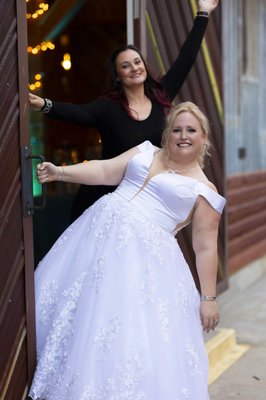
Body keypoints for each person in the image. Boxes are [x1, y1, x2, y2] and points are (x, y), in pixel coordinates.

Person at [28, 101, 226, 400]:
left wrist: (208, 298)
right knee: (78, 313)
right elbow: (107, 171)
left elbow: (205, 246)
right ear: (167, 133)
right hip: (95, 238)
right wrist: (60, 173)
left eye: (191, 130)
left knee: (120, 330)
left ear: (204, 138)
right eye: (176, 129)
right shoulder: (145, 151)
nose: (182, 135)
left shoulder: (205, 190)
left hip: (143, 261)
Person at [29, 0, 219, 222]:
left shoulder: (161, 96)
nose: (134, 68)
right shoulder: (108, 107)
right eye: (125, 66)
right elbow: (76, 113)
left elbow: (186, 58)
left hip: (144, 199)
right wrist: (44, 104)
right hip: (103, 199)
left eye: (137, 62)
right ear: (118, 75)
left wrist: (203, 13)